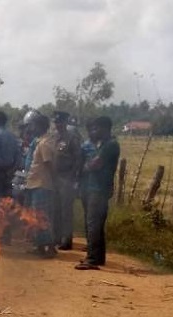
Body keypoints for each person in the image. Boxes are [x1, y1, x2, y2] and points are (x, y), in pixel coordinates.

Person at [76, 116, 120, 271]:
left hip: (98, 189)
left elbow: (95, 164)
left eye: (97, 128)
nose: (94, 131)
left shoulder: (110, 145)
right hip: (91, 188)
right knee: (95, 225)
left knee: (93, 224)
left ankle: (92, 259)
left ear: (105, 128)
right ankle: (98, 257)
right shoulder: (103, 145)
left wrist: (85, 167)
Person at [25, 114, 58, 258]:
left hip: (41, 185)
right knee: (38, 217)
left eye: (33, 125)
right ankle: (40, 246)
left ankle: (49, 248)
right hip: (37, 184)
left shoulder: (44, 143)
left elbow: (48, 164)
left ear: (39, 126)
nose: (31, 128)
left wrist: (54, 182)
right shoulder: (42, 141)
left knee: (41, 217)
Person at [0, 111, 21, 243]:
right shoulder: (12, 137)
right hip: (9, 174)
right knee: (6, 205)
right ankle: (6, 235)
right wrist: (11, 171)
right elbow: (18, 158)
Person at [51, 111, 83, 250]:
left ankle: (67, 240)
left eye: (60, 122)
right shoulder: (54, 137)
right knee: (55, 209)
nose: (58, 125)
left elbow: (78, 159)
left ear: (65, 123)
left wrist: (73, 175)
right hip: (54, 177)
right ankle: (56, 237)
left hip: (67, 178)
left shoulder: (72, 138)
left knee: (66, 210)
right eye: (56, 122)